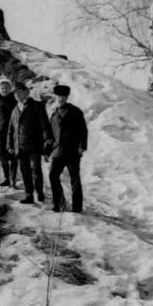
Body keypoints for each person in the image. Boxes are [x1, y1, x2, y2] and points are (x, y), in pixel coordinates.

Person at [6, 80, 53, 205]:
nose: (17, 96)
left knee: (35, 170)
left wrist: (47, 140)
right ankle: (29, 196)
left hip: (34, 144)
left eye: (20, 93)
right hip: (20, 146)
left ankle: (40, 193)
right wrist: (10, 145)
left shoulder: (37, 106)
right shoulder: (15, 110)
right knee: (25, 171)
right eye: (15, 94)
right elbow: (11, 129)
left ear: (26, 92)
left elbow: (45, 125)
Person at [47, 83, 88, 213]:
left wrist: (82, 146)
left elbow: (83, 130)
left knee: (74, 179)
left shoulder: (75, 112)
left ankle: (77, 208)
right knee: (53, 176)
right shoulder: (54, 114)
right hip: (57, 151)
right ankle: (59, 204)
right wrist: (47, 151)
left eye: (63, 96)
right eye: (59, 96)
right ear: (56, 97)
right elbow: (51, 134)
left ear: (67, 97)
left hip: (72, 151)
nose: (61, 99)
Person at [0, 77, 18, 187]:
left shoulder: (15, 100)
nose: (4, 89)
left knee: (14, 157)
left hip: (13, 130)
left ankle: (13, 179)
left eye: (6, 87)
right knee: (3, 156)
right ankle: (7, 178)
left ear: (10, 88)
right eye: (2, 88)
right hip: (0, 131)